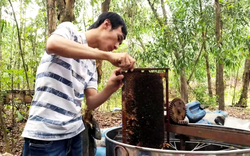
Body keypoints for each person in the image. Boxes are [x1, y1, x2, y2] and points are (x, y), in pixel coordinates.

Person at [21, 12, 136, 156]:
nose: (116, 46)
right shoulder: (69, 31)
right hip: (46, 137)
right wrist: (108, 56)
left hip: (75, 136)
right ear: (106, 24)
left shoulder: (91, 63)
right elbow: (52, 44)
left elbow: (92, 102)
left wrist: (111, 87)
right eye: (118, 39)